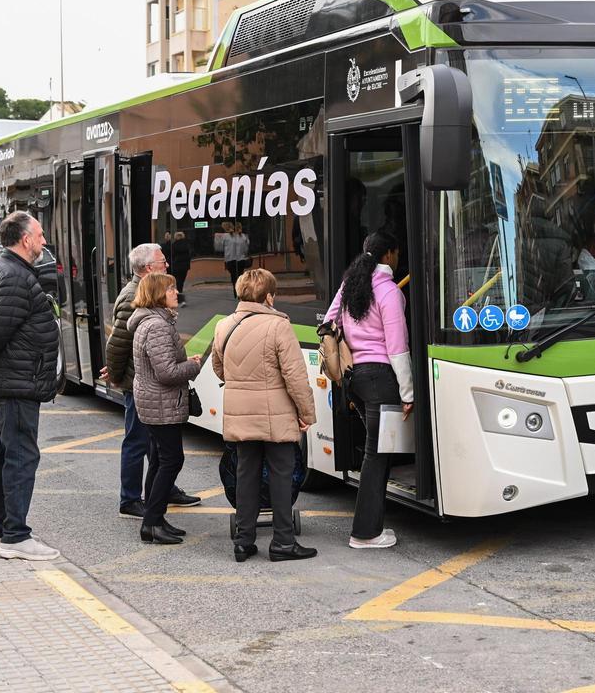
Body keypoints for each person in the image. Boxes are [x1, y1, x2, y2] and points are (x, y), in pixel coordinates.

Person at [0, 212, 61, 561]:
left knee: (5, 454)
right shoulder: (16, 276)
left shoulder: (3, 270)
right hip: (18, 381)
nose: (44, 241)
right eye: (40, 234)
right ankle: (15, 537)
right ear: (24, 239)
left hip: (10, 378)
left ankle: (0, 529)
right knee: (20, 457)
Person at [212, 268, 317, 563]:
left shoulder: (224, 325)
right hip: (276, 413)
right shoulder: (278, 326)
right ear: (269, 296)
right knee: (282, 474)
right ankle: (283, 542)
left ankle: (244, 541)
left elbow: (218, 369)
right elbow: (295, 376)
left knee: (246, 473)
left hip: (240, 412)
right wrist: (307, 413)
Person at [323, 231, 411, 549]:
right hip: (380, 378)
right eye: (397, 254)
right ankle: (365, 532)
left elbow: (330, 322)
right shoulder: (388, 292)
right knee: (377, 456)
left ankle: (368, 529)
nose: (398, 259)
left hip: (353, 378)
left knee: (375, 452)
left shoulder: (351, 284)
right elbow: (398, 348)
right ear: (389, 254)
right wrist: (409, 393)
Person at [102, 243, 200, 519]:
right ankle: (130, 499)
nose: (167, 265)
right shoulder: (134, 295)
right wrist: (119, 376)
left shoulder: (147, 294)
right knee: (138, 440)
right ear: (148, 269)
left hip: (146, 379)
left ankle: (163, 490)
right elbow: (117, 344)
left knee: (158, 449)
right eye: (162, 262)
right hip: (142, 382)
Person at [129, 272, 202, 545]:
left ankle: (155, 520)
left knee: (160, 460)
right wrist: (193, 365)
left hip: (155, 401)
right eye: (171, 289)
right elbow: (166, 372)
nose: (176, 293)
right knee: (172, 460)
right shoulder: (157, 326)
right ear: (159, 294)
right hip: (160, 402)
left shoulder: (152, 322)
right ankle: (151, 523)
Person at [170, 231, 192, 306]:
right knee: (181, 283)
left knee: (176, 282)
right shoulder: (187, 244)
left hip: (176, 265)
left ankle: (178, 299)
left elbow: (172, 255)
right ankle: (180, 299)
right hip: (184, 266)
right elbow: (190, 254)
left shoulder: (174, 245)